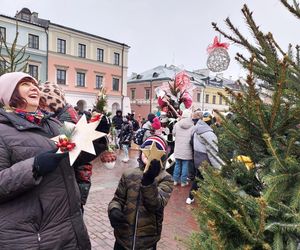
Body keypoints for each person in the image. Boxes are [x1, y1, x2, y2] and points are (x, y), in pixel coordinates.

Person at [0, 72, 91, 249]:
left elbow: (76, 156)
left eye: (35, 84)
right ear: (9, 94)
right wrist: (34, 167)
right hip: (35, 237)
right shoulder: (2, 130)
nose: (34, 87)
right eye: (25, 84)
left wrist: (96, 139)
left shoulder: (54, 123)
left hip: (69, 228)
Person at [39, 82, 110, 210]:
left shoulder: (65, 120)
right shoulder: (63, 115)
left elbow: (70, 153)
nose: (40, 107)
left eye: (42, 103)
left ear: (49, 103)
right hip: (75, 182)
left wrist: (98, 136)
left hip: (74, 182)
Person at [108, 136, 173, 250]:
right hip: (123, 237)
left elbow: (156, 205)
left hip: (146, 241)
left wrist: (149, 182)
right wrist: (114, 210)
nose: (148, 155)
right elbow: (118, 199)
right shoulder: (129, 174)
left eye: (154, 152)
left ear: (161, 156)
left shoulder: (165, 178)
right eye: (146, 150)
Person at [186, 113, 223, 205]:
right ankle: (210, 202)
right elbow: (212, 153)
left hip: (197, 159)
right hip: (206, 161)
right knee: (210, 181)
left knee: (198, 178)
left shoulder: (196, 130)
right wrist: (219, 166)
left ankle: (190, 198)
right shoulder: (209, 134)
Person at [172, 109, 194, 187]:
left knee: (177, 164)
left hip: (178, 148)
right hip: (187, 149)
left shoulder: (177, 124)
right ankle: (183, 182)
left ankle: (175, 180)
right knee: (185, 165)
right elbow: (193, 137)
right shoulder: (193, 126)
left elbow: (173, 134)